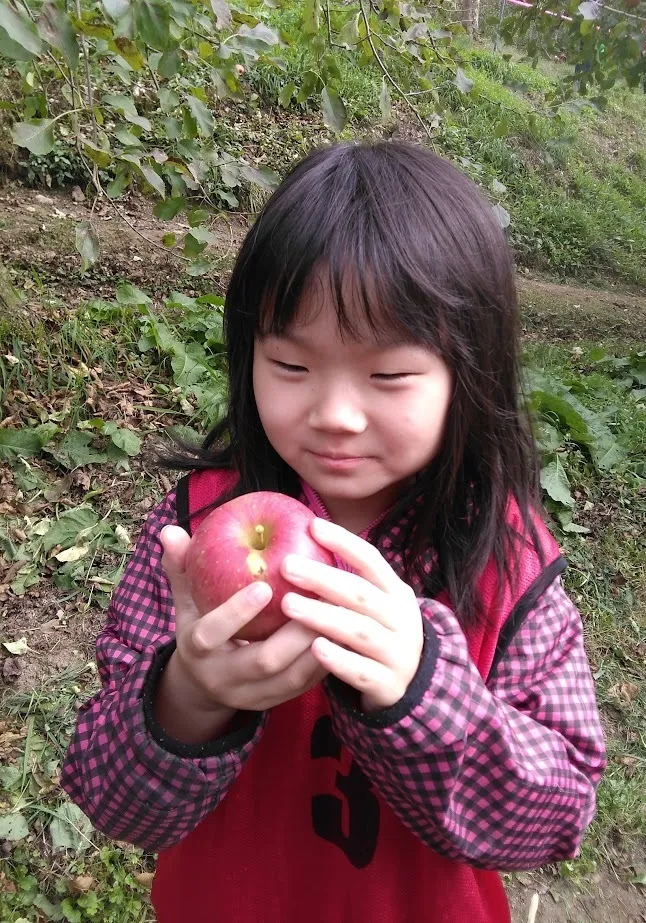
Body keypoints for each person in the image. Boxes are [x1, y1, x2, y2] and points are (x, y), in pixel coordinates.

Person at [60, 141, 607, 923]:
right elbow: (112, 802)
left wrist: (423, 694)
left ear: (470, 373)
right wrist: (186, 696)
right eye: (289, 365)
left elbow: (557, 816)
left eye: (388, 376)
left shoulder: (507, 563)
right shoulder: (196, 531)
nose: (335, 414)